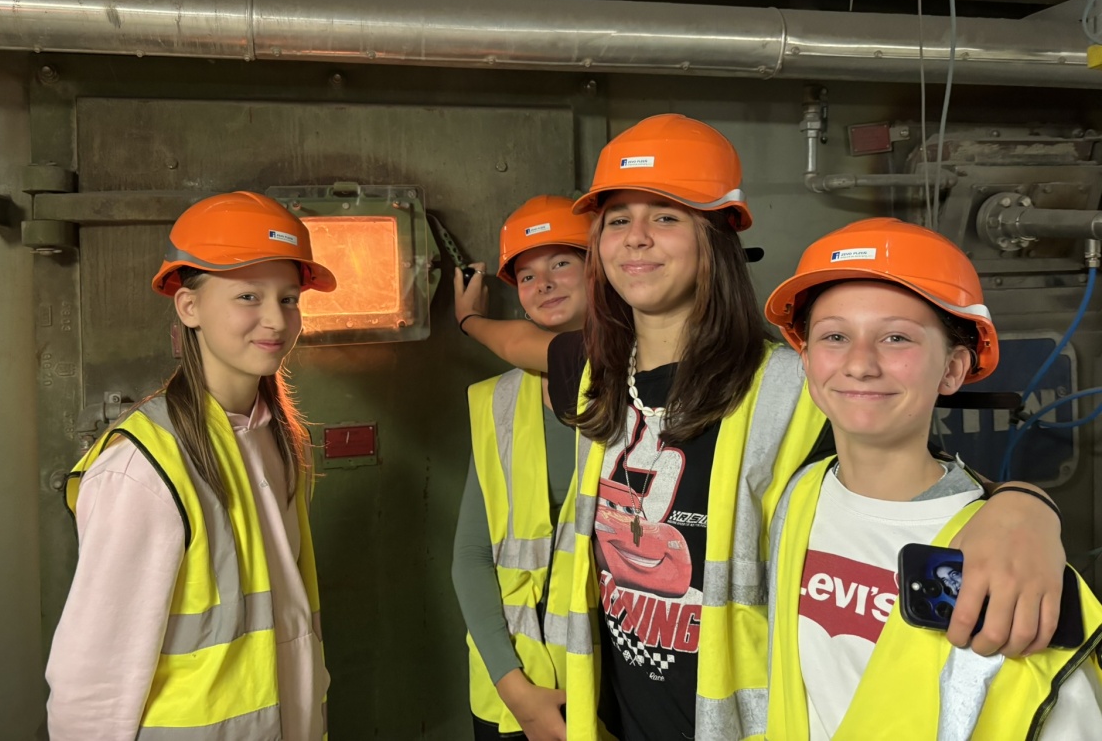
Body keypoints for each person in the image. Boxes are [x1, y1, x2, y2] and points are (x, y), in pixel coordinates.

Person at [454, 114, 1069, 741]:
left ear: (717, 237)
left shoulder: (791, 387)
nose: (635, 238)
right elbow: (519, 343)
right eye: (617, 220)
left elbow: (911, 476)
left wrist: (1024, 506)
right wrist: (469, 323)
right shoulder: (589, 372)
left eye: (665, 216)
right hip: (609, 720)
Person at [763, 217, 1102, 740]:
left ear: (952, 370)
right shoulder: (795, 496)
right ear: (805, 361)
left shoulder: (1013, 563)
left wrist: (1025, 506)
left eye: (896, 337)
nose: (860, 364)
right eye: (835, 336)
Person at [46, 191, 336, 741]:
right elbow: (93, 681)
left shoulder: (277, 440)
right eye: (248, 295)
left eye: (289, 298)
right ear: (188, 307)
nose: (276, 319)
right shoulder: (143, 469)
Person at [452, 195, 592, 741]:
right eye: (528, 276)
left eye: (562, 263)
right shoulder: (499, 401)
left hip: (611, 687)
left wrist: (470, 320)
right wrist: (513, 687)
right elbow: (471, 556)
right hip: (512, 692)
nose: (544, 283)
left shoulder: (644, 384)